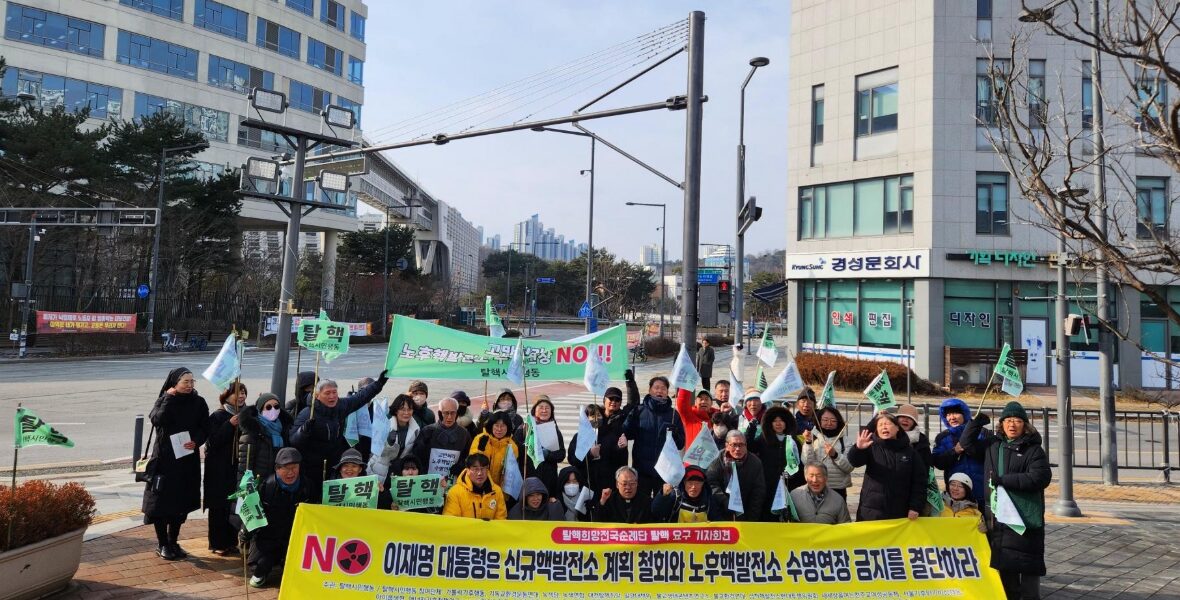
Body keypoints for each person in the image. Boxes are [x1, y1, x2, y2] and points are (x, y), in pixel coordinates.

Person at [960, 401, 1051, 600]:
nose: (1012, 425)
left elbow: (1041, 478)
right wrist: (976, 423)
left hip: (1024, 518)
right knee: (1006, 568)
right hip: (998, 517)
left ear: (1025, 425)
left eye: (1017, 421)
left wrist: (1004, 481)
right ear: (1001, 424)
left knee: (1028, 569)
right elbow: (967, 444)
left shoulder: (1034, 450)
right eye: (1008, 420)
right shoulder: (993, 444)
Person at [143, 367, 210, 561]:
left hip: (187, 459)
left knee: (181, 502)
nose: (189, 385)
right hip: (164, 460)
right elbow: (157, 419)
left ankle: (173, 541)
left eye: (192, 382)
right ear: (175, 384)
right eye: (185, 382)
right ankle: (162, 543)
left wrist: (196, 441)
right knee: (161, 503)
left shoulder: (199, 402)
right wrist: (168, 398)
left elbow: (205, 427)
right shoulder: (165, 400)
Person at [290, 372, 389, 490]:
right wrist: (303, 431)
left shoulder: (341, 406)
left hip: (335, 464)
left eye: (334, 392)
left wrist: (379, 383)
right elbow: (293, 441)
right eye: (327, 393)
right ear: (317, 395)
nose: (332, 396)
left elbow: (361, 397)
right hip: (312, 467)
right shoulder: (307, 413)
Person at [246, 447, 316, 588]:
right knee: (259, 568)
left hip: (294, 536)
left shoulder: (307, 486)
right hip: (269, 535)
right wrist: (245, 532)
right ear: (277, 469)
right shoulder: (267, 485)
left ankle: (286, 561)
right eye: (286, 468)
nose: (291, 473)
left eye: (294, 467)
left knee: (295, 569)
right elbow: (253, 514)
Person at [847, 412, 925, 522]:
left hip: (900, 509)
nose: (884, 427)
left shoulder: (910, 452)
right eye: (880, 425)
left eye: (887, 424)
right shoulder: (871, 446)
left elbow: (919, 481)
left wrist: (915, 506)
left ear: (897, 428)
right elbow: (854, 462)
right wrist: (858, 448)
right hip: (871, 509)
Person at [623, 375, 686, 499]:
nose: (659, 391)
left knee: (661, 506)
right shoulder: (639, 411)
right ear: (649, 390)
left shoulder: (673, 414)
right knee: (642, 505)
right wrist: (629, 418)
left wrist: (675, 433)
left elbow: (680, 444)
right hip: (642, 470)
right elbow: (628, 434)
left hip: (664, 471)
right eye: (656, 387)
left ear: (667, 392)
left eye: (663, 388)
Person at [204, 383, 246, 557]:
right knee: (219, 507)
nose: (241, 396)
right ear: (226, 396)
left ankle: (231, 541)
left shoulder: (245, 414)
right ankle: (217, 543)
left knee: (233, 506)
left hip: (237, 468)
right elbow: (212, 441)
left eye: (243, 392)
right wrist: (229, 424)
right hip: (219, 470)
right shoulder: (218, 416)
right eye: (237, 393)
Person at [747, 405, 802, 518]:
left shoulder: (793, 441)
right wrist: (751, 430)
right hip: (768, 485)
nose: (778, 423)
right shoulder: (763, 439)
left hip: (788, 485)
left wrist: (793, 474)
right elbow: (750, 448)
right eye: (775, 421)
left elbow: (799, 463)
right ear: (770, 423)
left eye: (781, 420)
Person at [931, 398, 987, 504]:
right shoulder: (942, 437)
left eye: (955, 413)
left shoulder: (981, 432)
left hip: (980, 490)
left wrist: (971, 446)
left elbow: (988, 455)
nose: (951, 417)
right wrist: (954, 451)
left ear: (964, 413)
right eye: (948, 415)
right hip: (956, 493)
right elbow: (938, 462)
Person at [706, 430, 766, 522]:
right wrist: (725, 501)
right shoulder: (717, 459)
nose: (738, 449)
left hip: (746, 511)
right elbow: (711, 483)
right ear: (726, 446)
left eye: (741, 445)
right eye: (734, 445)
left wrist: (751, 520)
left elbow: (758, 493)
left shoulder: (755, 463)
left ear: (746, 446)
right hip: (719, 510)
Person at [567, 404, 627, 495]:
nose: (595, 418)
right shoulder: (579, 437)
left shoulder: (611, 435)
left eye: (598, 415)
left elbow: (619, 462)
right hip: (586, 484)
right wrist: (590, 454)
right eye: (592, 415)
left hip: (607, 484)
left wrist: (620, 448)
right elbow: (572, 460)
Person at [514, 395, 566, 497]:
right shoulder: (524, 428)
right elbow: (515, 451)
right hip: (529, 478)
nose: (544, 410)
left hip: (549, 480)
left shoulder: (554, 430)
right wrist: (528, 448)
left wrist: (548, 454)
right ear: (534, 410)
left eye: (547, 408)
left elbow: (561, 454)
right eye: (541, 407)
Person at [238, 393, 293, 483]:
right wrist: (245, 486)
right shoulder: (252, 430)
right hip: (258, 481)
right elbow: (245, 464)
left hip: (278, 480)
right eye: (268, 407)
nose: (273, 410)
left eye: (276, 406)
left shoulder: (284, 428)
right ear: (261, 409)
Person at [412, 397, 472, 479]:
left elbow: (468, 457)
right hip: (429, 480)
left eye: (453, 413)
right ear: (440, 414)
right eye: (446, 413)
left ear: (457, 414)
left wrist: (461, 466)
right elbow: (416, 455)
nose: (449, 417)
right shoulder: (427, 431)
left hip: (453, 480)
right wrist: (423, 444)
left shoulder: (464, 434)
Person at [803, 407, 854, 498]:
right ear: (819, 421)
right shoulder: (813, 437)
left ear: (838, 422)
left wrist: (835, 455)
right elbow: (806, 462)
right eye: (825, 420)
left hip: (838, 488)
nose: (829, 423)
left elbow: (849, 467)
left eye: (833, 421)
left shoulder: (845, 441)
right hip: (815, 486)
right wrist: (808, 442)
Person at [368, 394, 421, 483]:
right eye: (403, 409)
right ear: (396, 410)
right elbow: (377, 451)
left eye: (409, 409)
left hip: (399, 471)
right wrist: (388, 443)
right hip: (379, 467)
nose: (406, 413)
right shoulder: (385, 425)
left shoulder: (416, 429)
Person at [442, 453, 507, 520]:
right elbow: (451, 521)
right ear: (467, 470)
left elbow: (501, 520)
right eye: (475, 469)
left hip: (489, 530)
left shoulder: (497, 491)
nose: (480, 473)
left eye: (483, 469)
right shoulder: (455, 492)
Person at [650, 465, 723, 523]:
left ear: (703, 484)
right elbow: (657, 512)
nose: (693, 487)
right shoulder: (675, 496)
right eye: (690, 483)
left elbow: (718, 521)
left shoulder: (708, 501)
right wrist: (663, 496)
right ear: (684, 483)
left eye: (697, 483)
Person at [470, 411, 521, 489]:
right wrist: (480, 450)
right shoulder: (481, 439)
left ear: (508, 427)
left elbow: (511, 473)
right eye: (496, 425)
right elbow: (473, 463)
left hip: (499, 489)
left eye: (503, 426)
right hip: (479, 485)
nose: (499, 429)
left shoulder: (512, 446)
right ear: (491, 426)